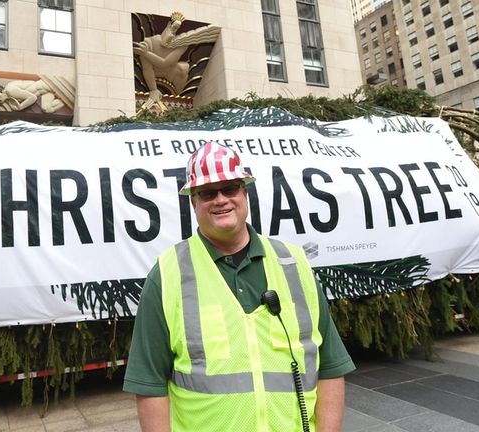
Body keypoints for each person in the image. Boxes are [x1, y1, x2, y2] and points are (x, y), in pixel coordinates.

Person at [123, 142, 355, 431]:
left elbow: (331, 366)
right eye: (208, 193)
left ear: (245, 193)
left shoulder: (293, 263)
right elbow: (150, 383)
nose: (220, 200)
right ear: (193, 202)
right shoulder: (168, 274)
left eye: (230, 188)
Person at [133, 11, 220, 110]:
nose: (172, 33)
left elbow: (165, 63)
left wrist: (146, 53)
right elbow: (147, 69)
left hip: (171, 75)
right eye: (173, 28)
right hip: (151, 76)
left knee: (183, 68)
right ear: (168, 25)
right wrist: (153, 89)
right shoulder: (149, 42)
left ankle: (181, 102)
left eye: (176, 30)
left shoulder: (181, 44)